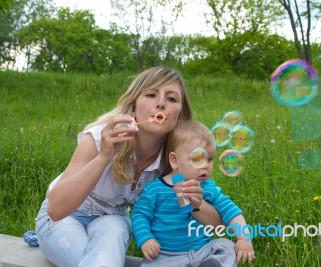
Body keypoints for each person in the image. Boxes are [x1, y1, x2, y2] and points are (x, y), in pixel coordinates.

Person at [35, 67, 223, 267]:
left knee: (115, 228)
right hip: (63, 219)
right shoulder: (101, 137)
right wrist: (103, 157)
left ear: (180, 115)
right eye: (151, 95)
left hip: (113, 221)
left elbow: (217, 225)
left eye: (171, 99)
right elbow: (56, 210)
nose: (160, 103)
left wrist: (196, 202)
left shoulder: (175, 160)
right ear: (133, 106)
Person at [131, 120, 255, 267]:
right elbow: (140, 215)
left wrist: (243, 238)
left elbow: (231, 210)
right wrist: (145, 239)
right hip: (165, 256)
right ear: (174, 160)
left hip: (202, 253)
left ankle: (212, 265)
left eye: (209, 159)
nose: (205, 166)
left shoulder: (208, 188)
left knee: (225, 246)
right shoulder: (154, 189)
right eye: (197, 159)